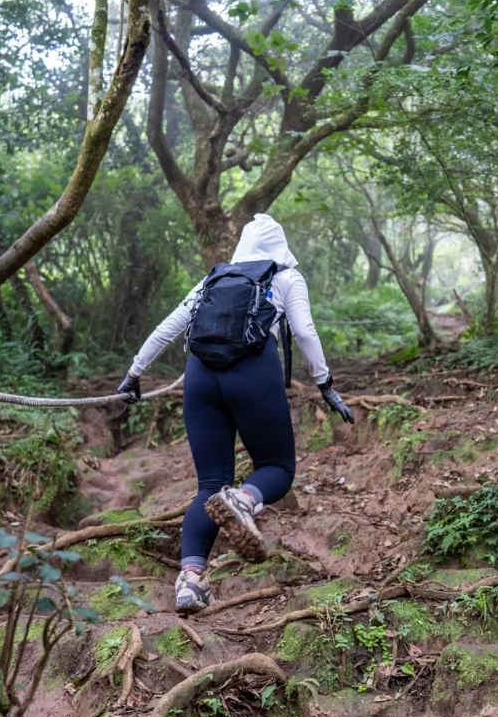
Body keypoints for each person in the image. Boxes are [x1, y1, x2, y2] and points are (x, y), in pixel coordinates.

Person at [116, 214, 354, 613]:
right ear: (281, 246)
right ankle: (244, 499)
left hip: (200, 376)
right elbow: (306, 331)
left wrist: (134, 372)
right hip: (252, 374)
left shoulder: (213, 279)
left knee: (209, 484)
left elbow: (170, 326)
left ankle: (191, 581)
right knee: (277, 468)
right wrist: (325, 384)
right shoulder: (284, 277)